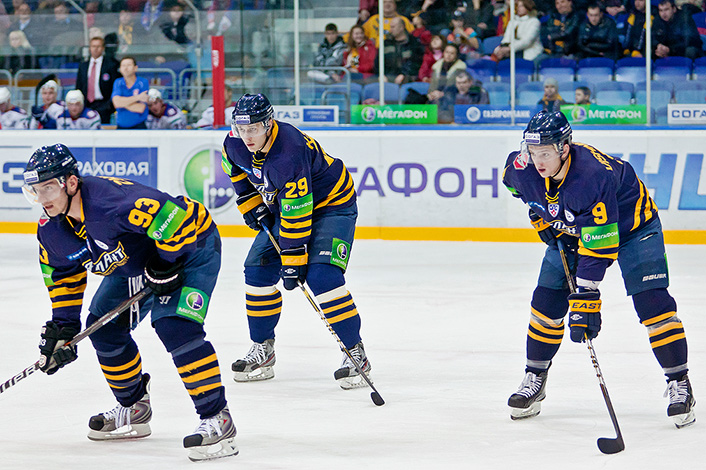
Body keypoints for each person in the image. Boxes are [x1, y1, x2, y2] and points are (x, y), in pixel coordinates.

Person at [22, 143, 238, 462]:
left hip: (191, 245)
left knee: (174, 324)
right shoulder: (52, 232)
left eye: (48, 188)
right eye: (36, 190)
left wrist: (165, 262)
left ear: (71, 182)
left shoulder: (110, 203)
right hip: (138, 262)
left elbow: (174, 216)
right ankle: (134, 407)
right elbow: (63, 276)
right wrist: (64, 327)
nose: (42, 199)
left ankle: (218, 418)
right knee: (103, 328)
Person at [501, 110, 696, 429]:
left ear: (564, 148)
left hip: (634, 229)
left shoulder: (591, 176)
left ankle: (679, 382)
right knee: (545, 303)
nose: (538, 161)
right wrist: (539, 216)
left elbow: (600, 244)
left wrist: (586, 295)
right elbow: (517, 189)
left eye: (545, 153)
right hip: (575, 229)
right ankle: (535, 377)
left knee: (653, 304)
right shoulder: (521, 168)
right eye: (533, 152)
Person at [221, 93, 373, 390]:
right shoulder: (234, 142)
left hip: (331, 205)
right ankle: (263, 349)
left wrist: (293, 259)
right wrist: (251, 203)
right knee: (256, 269)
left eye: (253, 129)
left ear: (268, 124)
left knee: (322, 276)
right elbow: (235, 170)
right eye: (242, 129)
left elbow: (298, 212)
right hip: (289, 206)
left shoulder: (288, 151)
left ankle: (355, 352)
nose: (247, 136)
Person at [76, 35, 121, 124]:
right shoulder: (83, 66)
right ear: (89, 48)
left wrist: (108, 105)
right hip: (86, 106)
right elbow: (79, 86)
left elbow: (114, 86)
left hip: (104, 105)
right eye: (93, 46)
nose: (95, 49)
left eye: (98, 46)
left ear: (103, 48)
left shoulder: (111, 65)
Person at [381, 16, 425, 85]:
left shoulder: (413, 43)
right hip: (387, 77)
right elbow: (378, 62)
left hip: (408, 78)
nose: (390, 29)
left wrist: (404, 74)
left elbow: (416, 63)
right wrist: (381, 74)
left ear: (401, 27)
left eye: (393, 27)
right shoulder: (386, 43)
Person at [111, 56, 150, 129]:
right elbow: (116, 103)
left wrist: (122, 103)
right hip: (121, 126)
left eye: (129, 65)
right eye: (123, 65)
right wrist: (138, 97)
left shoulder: (143, 82)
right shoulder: (118, 82)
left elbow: (140, 108)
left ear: (135, 68)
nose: (126, 68)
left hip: (139, 126)